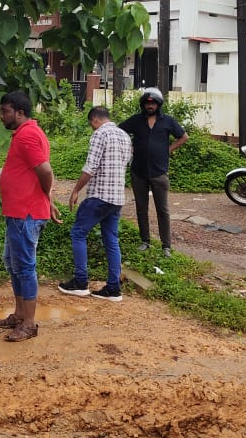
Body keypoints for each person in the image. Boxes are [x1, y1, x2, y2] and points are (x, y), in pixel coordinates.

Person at [0, 91, 60, 342]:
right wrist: (47, 199)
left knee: (24, 266)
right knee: (13, 263)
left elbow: (45, 170)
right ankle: (20, 314)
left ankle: (29, 323)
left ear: (20, 112)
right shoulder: (23, 134)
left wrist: (45, 196)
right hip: (19, 211)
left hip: (26, 212)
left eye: (5, 111)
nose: (1, 116)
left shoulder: (28, 135)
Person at [58, 106, 133, 301]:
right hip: (116, 198)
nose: (92, 127)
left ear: (94, 120)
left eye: (91, 124)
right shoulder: (125, 136)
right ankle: (113, 288)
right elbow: (126, 163)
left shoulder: (100, 134)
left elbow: (90, 167)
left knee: (78, 232)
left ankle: (80, 282)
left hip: (99, 196)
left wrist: (75, 191)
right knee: (111, 240)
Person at [119, 87, 187, 258]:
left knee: (162, 210)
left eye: (153, 103)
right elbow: (119, 132)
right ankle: (145, 241)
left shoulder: (168, 121)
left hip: (159, 172)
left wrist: (169, 149)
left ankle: (166, 246)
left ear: (158, 104)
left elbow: (184, 137)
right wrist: (129, 148)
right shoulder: (136, 120)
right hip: (138, 172)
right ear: (143, 104)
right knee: (141, 208)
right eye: (147, 103)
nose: (150, 105)